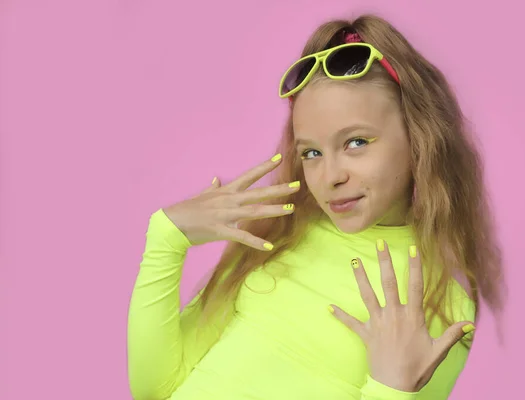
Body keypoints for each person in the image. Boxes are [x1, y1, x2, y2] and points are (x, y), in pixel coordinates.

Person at [127, 14, 505, 400]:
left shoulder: (442, 303)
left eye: (356, 142)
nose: (330, 177)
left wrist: (392, 389)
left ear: (420, 137)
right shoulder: (279, 237)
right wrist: (167, 238)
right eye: (311, 152)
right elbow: (156, 389)